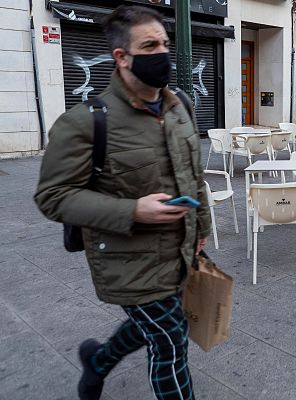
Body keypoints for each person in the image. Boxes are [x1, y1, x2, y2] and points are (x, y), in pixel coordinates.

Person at [34, 6, 211, 400]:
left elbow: (193, 176)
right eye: (150, 45)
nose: (162, 53)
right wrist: (133, 211)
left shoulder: (180, 105)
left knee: (159, 324)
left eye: (165, 43)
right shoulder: (85, 121)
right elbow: (52, 196)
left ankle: (98, 361)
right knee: (170, 339)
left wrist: (202, 230)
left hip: (180, 250)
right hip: (127, 259)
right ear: (121, 56)